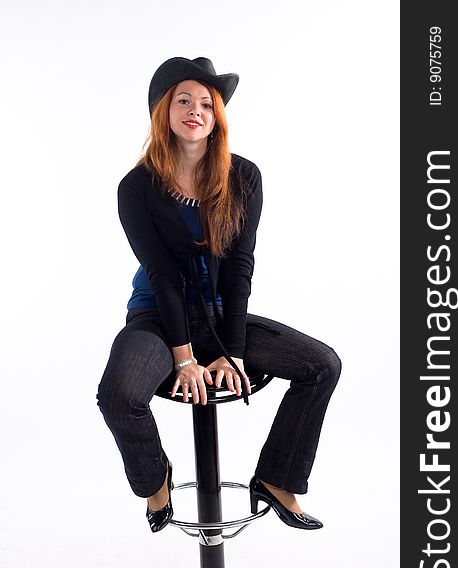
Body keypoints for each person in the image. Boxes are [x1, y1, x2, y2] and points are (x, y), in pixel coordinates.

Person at [96, 56, 342, 533]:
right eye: (183, 100)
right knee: (119, 395)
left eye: (206, 103)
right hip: (157, 317)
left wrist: (230, 350)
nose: (196, 110)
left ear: (217, 116)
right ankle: (155, 481)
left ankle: (276, 477)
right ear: (163, 111)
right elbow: (162, 273)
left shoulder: (243, 176)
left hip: (221, 314)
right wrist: (184, 359)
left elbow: (239, 267)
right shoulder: (136, 186)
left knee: (321, 365)